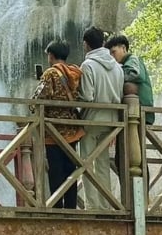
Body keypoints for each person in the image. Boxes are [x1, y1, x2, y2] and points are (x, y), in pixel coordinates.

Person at [31, 40, 83, 209]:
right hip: (72, 130)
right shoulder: (76, 73)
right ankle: (71, 207)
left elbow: (38, 100)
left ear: (51, 55)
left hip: (53, 132)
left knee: (56, 171)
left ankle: (56, 207)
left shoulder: (50, 74)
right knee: (71, 170)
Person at [77, 26, 124, 210]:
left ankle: (92, 205)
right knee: (103, 163)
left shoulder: (88, 65)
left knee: (86, 164)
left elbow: (87, 96)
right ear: (103, 43)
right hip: (112, 121)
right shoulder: (118, 67)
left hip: (92, 120)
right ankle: (106, 205)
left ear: (86, 44)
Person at [105, 33, 155, 190]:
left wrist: (115, 75)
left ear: (123, 48)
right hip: (134, 114)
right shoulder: (125, 62)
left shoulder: (132, 59)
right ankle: (134, 195)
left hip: (139, 112)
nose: (112, 56)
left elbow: (135, 73)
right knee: (125, 157)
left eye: (114, 52)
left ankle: (139, 196)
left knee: (134, 157)